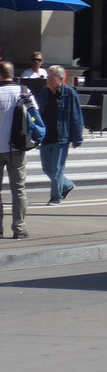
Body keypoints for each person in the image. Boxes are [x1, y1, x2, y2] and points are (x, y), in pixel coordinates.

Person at [36, 65, 84, 205]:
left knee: (57, 168)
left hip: (61, 137)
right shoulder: (44, 92)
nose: (48, 80)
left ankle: (55, 197)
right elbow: (39, 113)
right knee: (47, 168)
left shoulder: (69, 93)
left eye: (51, 77)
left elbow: (76, 116)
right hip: (46, 136)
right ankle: (67, 185)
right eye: (47, 77)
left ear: (60, 79)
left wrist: (77, 137)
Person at [0, 62, 29, 239]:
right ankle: (19, 228)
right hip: (17, 148)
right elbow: (34, 116)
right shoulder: (24, 92)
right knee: (18, 190)